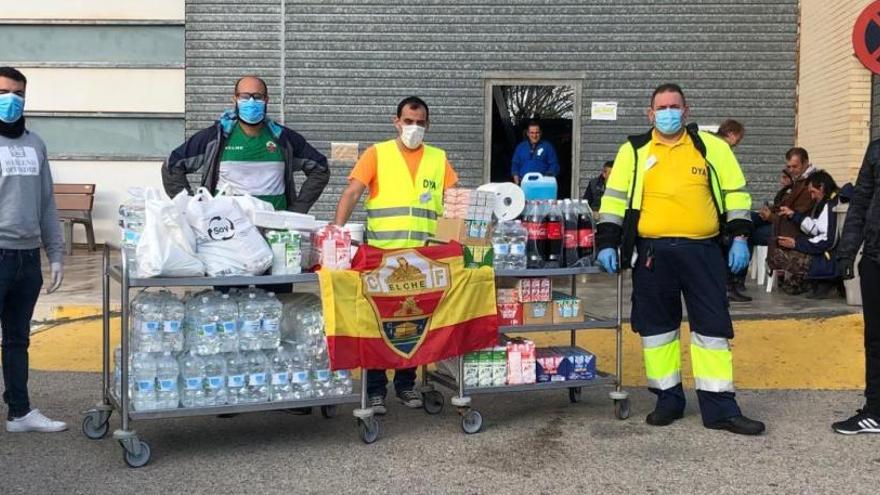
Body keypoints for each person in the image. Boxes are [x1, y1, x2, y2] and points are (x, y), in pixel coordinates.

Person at [595, 83, 765, 435]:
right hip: (653, 253)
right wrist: (607, 242)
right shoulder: (634, 151)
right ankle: (667, 400)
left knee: (712, 329)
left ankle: (719, 408)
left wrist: (740, 237)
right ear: (650, 113)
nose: (669, 112)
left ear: (686, 112)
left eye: (675, 106)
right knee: (657, 330)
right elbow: (613, 200)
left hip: (703, 252)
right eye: (662, 107)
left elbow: (736, 194)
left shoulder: (712, 147)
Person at [333, 96, 458, 414]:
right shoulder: (377, 154)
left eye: (420, 123)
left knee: (414, 323)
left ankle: (406, 385)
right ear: (396, 121)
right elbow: (352, 192)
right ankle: (375, 389)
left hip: (422, 259)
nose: (413, 128)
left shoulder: (438, 159)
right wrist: (336, 230)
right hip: (382, 257)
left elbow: (454, 201)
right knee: (378, 323)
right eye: (408, 121)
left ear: (428, 125)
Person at [0, 66, 66, 432]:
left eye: (18, 93)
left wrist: (55, 253)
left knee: (17, 338)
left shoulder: (34, 143)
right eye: (4, 91)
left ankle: (19, 412)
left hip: (27, 257)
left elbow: (46, 203)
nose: (11, 99)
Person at [162, 75, 329, 213]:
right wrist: (191, 207)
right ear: (235, 99)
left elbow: (320, 168)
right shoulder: (216, 137)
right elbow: (172, 166)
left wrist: (298, 209)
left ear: (266, 100)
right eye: (244, 96)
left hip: (275, 231)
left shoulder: (283, 138)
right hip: (226, 230)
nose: (251, 101)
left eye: (257, 97)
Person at [833, 138, 880, 434]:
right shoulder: (876, 149)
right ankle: (875, 411)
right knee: (875, 339)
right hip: (875, 257)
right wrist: (847, 251)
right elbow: (860, 202)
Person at [776, 171, 841, 299]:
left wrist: (796, 244)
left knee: (780, 255)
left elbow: (827, 241)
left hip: (828, 258)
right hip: (827, 253)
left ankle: (822, 283)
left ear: (821, 187)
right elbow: (818, 228)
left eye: (813, 192)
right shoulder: (830, 202)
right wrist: (794, 215)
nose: (812, 197)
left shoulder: (832, 205)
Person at [767, 147, 817, 287]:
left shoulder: (811, 182)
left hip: (800, 227)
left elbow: (802, 210)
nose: (791, 170)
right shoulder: (797, 181)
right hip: (789, 220)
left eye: (795, 166)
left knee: (768, 229)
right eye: (789, 167)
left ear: (806, 162)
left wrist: (773, 216)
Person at [715, 120, 750, 302]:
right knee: (726, 248)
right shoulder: (722, 150)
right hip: (722, 212)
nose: (738, 142)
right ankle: (728, 287)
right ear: (732, 134)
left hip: (714, 210)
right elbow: (732, 187)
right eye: (739, 138)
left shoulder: (709, 147)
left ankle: (726, 287)